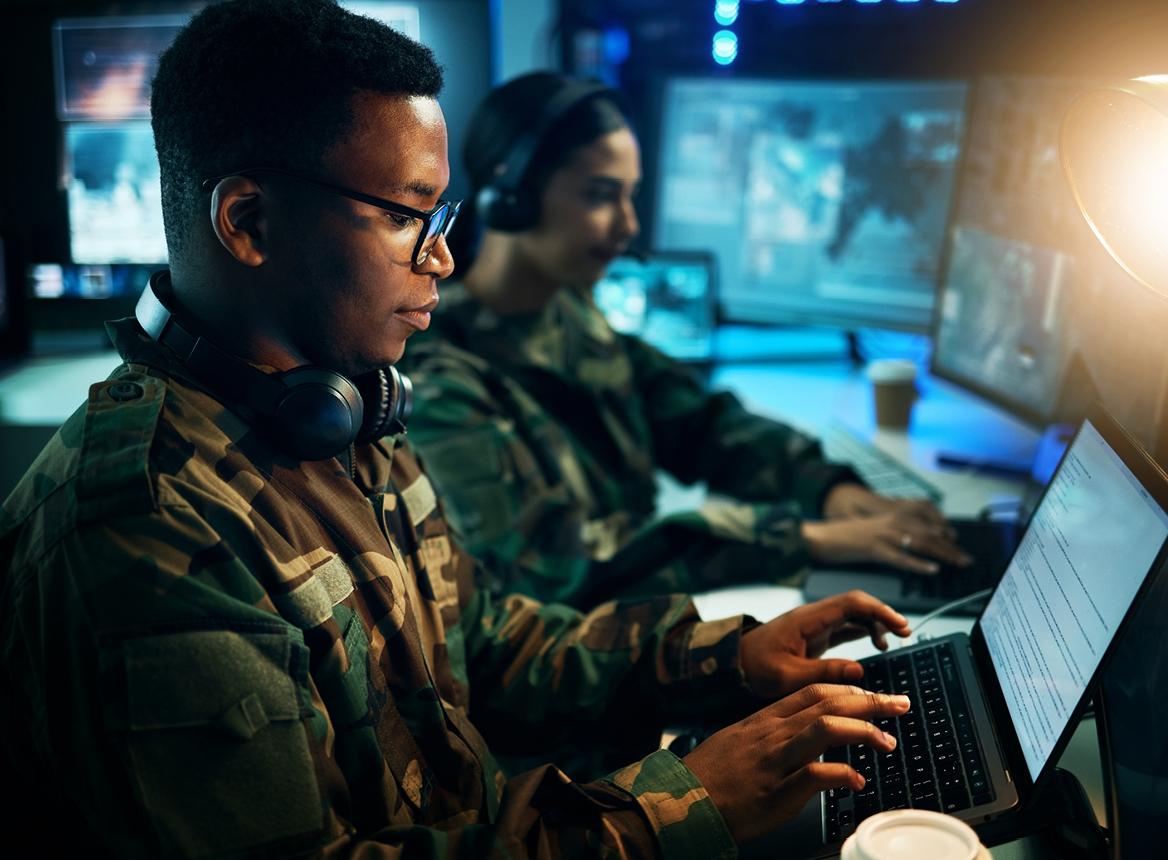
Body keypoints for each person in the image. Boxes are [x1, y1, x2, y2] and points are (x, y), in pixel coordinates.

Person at [0, 2, 917, 857]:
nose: (441, 254)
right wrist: (673, 806)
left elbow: (478, 639)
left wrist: (721, 658)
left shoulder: (340, 408)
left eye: (440, 216)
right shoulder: (142, 529)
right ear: (248, 222)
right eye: (406, 216)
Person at [399, 72, 972, 608]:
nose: (628, 226)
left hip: (644, 632)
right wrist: (805, 540)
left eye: (630, 195)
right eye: (601, 195)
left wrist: (827, 489)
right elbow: (551, 564)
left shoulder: (567, 309)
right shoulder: (438, 376)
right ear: (513, 191)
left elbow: (699, 422)